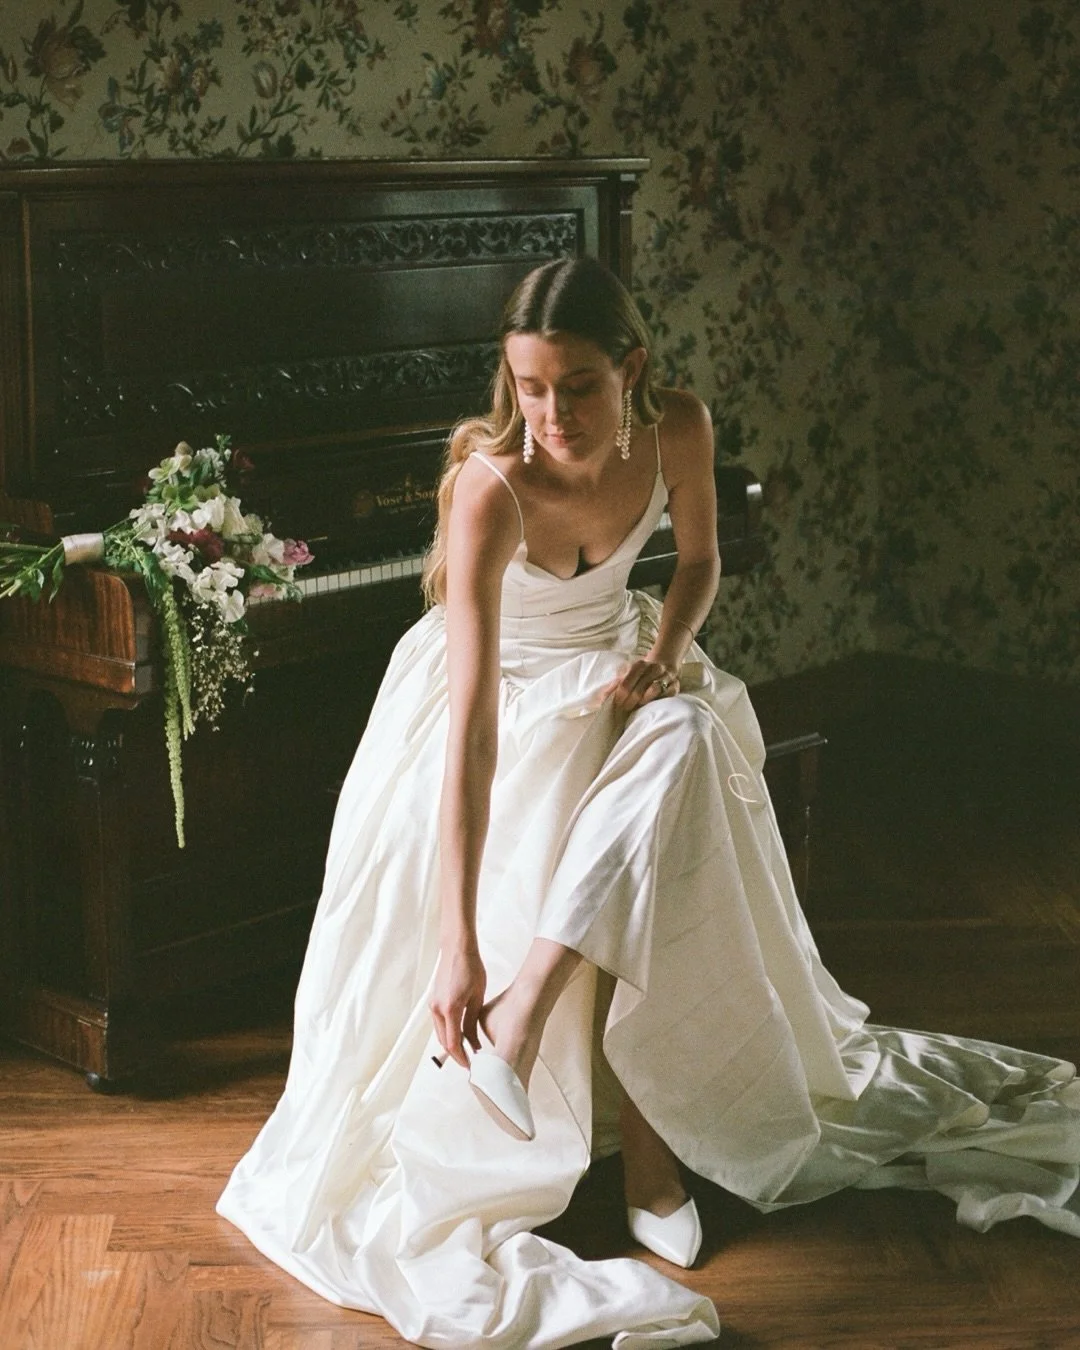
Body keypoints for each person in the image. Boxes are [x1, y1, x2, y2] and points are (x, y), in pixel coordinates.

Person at [218, 258, 1080, 1350]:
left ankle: (558, 1048)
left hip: (627, 670)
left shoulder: (679, 427)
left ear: (630, 368)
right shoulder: (489, 487)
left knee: (681, 731)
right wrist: (453, 948)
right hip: (508, 704)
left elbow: (701, 563)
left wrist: (667, 659)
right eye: (528, 387)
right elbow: (476, 728)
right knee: (620, 795)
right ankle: (632, 1128)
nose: (551, 416)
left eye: (576, 387)